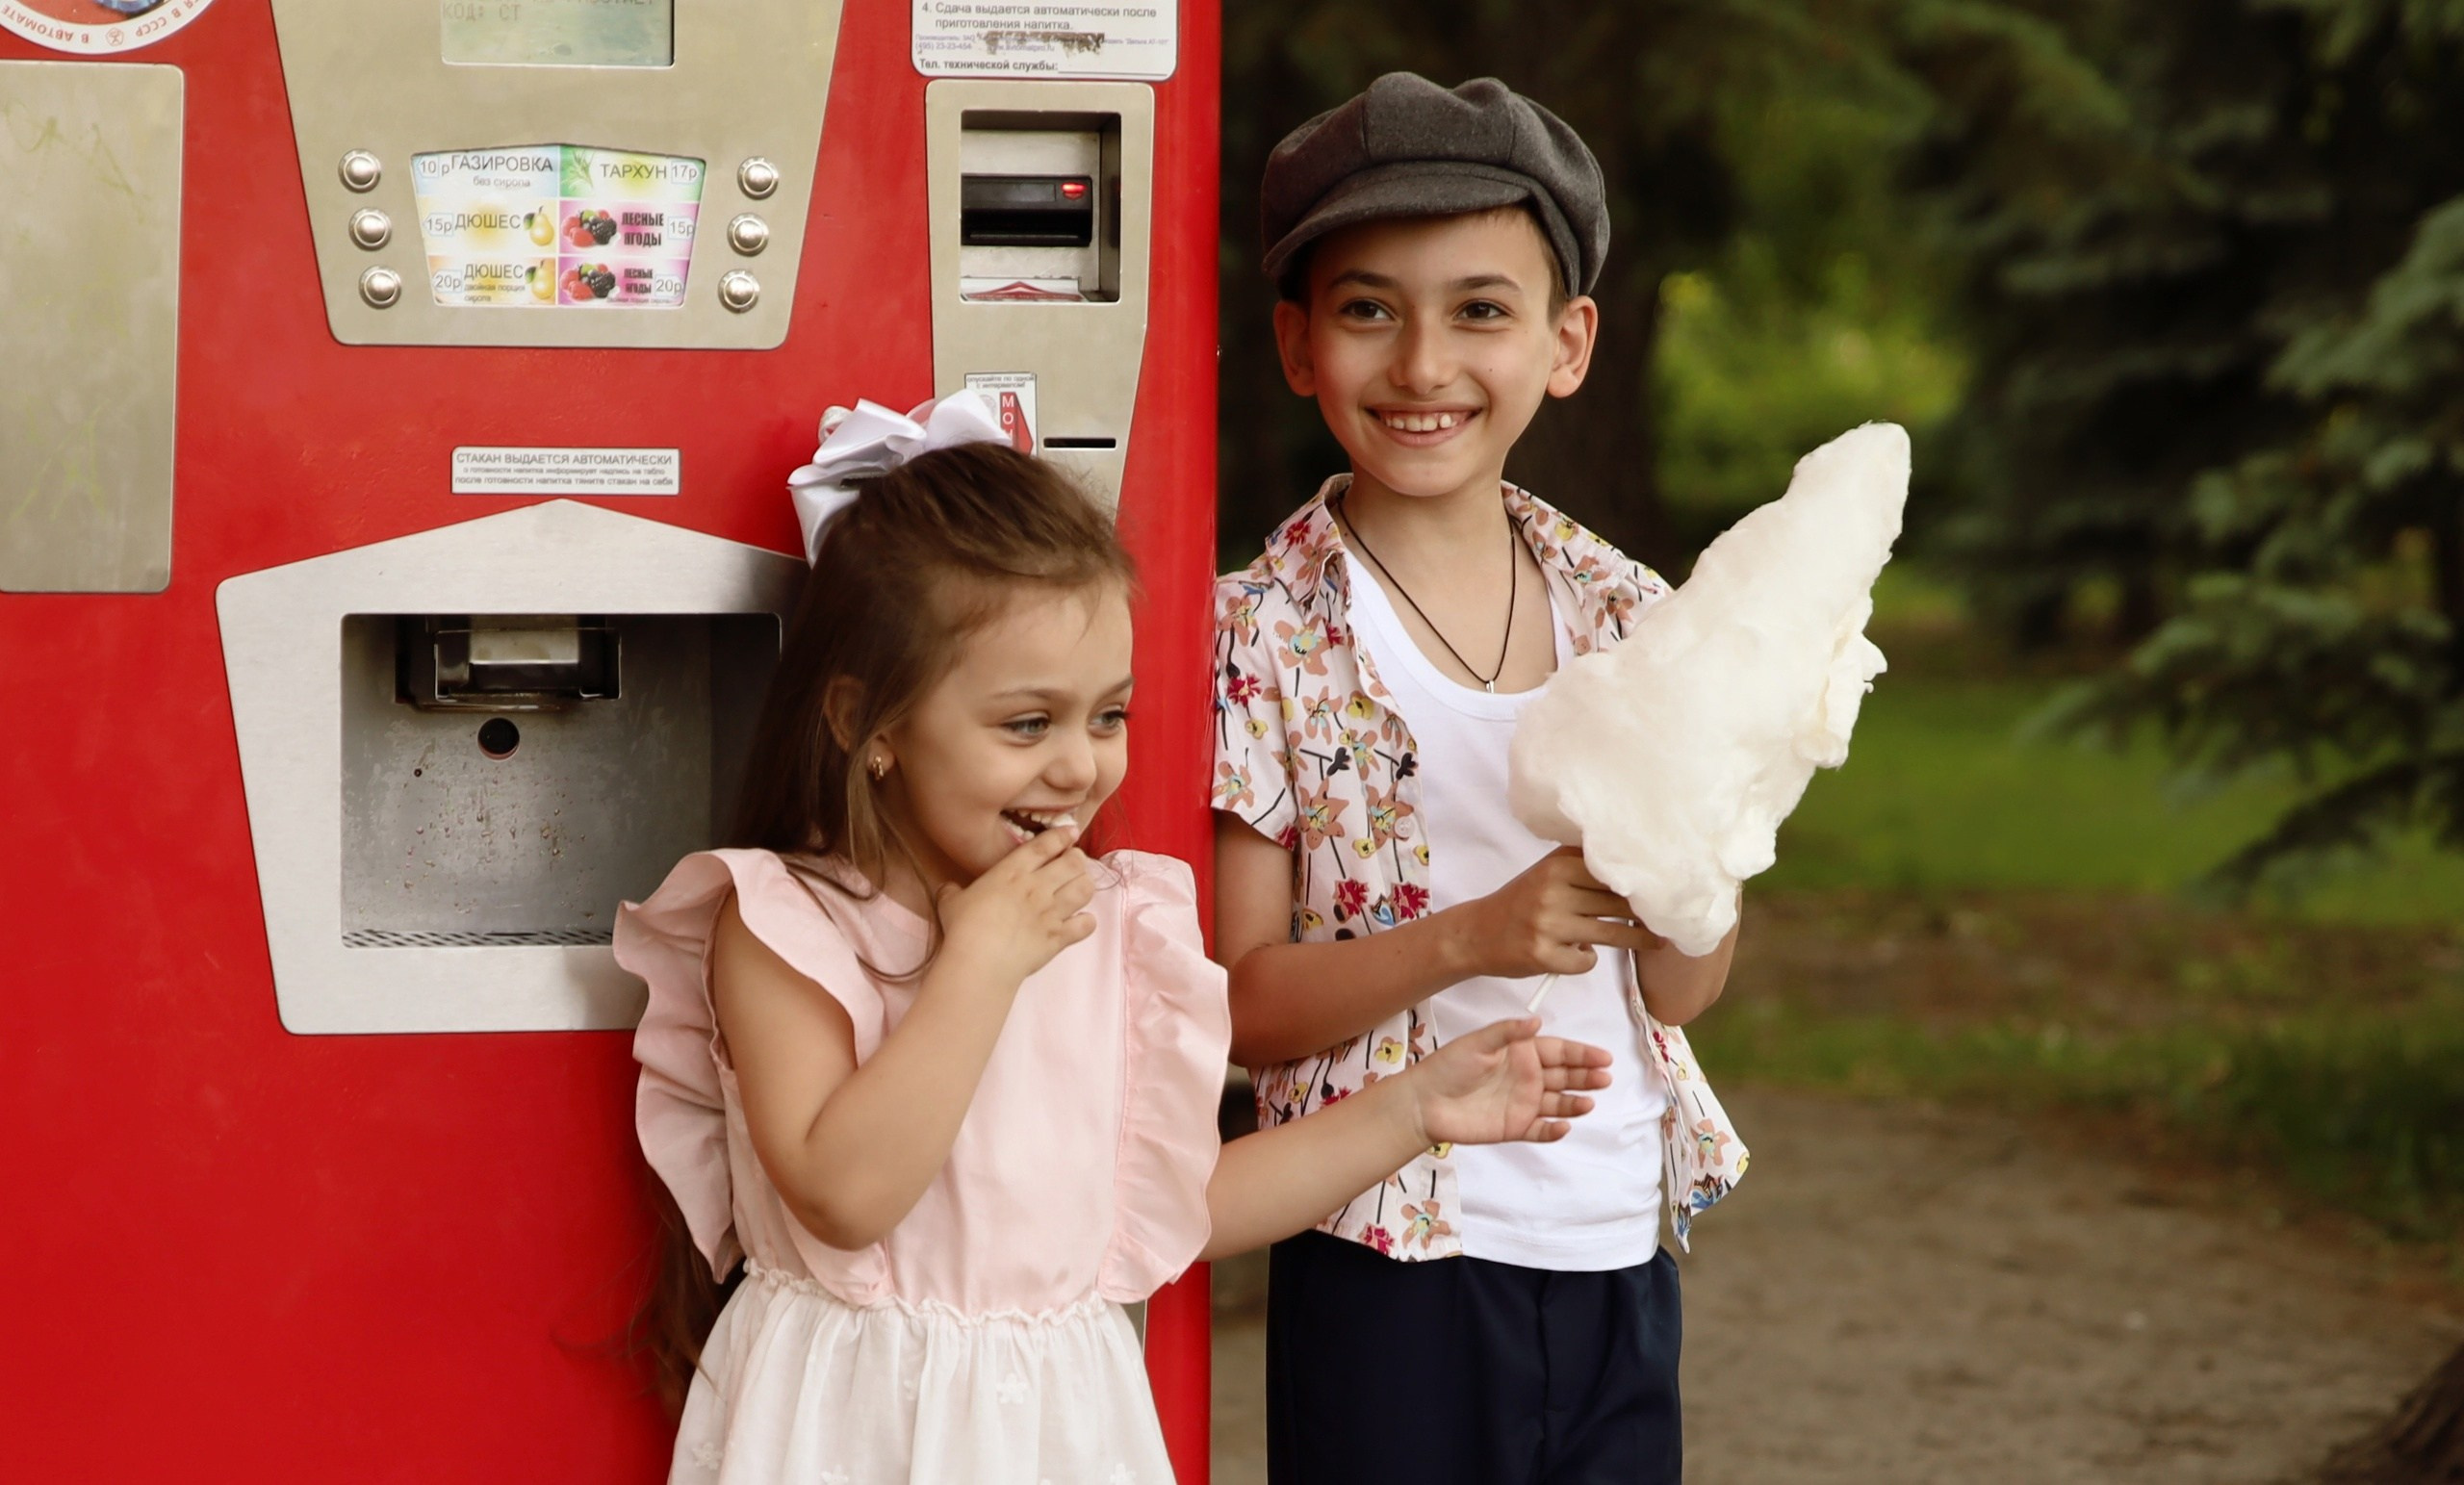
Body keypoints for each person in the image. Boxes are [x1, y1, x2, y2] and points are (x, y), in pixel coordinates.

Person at [615, 393, 1615, 1484]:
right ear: (867, 723)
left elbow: (1176, 1207)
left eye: (1109, 716)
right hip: (851, 1431)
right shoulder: (783, 925)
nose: (1079, 766)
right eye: (1025, 723)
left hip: (1060, 1432)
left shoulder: (1110, 927)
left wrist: (1412, 1108)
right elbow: (845, 1195)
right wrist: (980, 965)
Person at [1211, 74, 1751, 1484]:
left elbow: (1682, 988)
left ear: (1568, 343)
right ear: (1297, 342)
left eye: (1481, 309)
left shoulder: (1636, 615)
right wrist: (1473, 935)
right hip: (1385, 1245)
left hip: (1614, 1233)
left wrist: (1701, 851)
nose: (1423, 362)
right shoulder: (1255, 633)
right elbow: (1243, 1006)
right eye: (1369, 307)